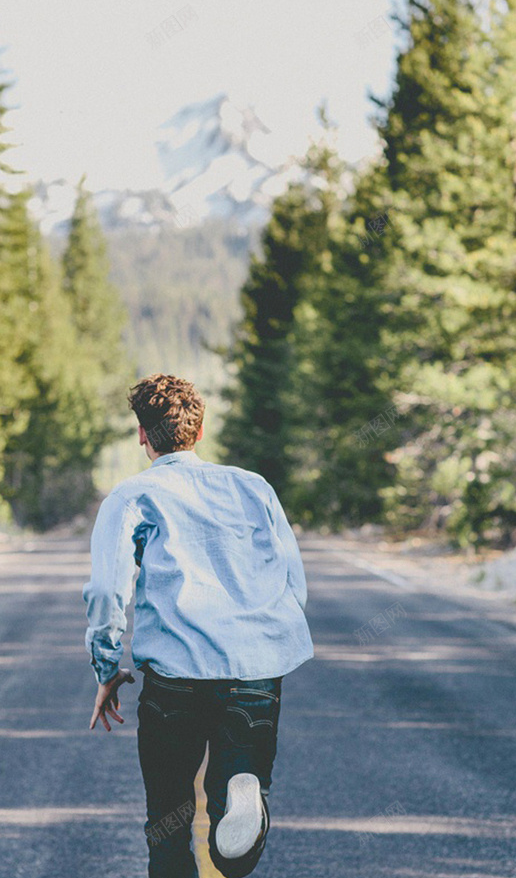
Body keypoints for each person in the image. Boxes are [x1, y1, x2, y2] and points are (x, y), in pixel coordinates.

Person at [83, 373, 313, 878]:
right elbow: (292, 580)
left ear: (142, 435)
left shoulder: (132, 496)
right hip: (253, 676)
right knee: (236, 828)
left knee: (167, 821)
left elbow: (106, 592)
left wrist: (106, 667)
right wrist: (268, 647)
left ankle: (225, 821)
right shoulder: (255, 488)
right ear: (200, 430)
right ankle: (239, 805)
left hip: (175, 683)